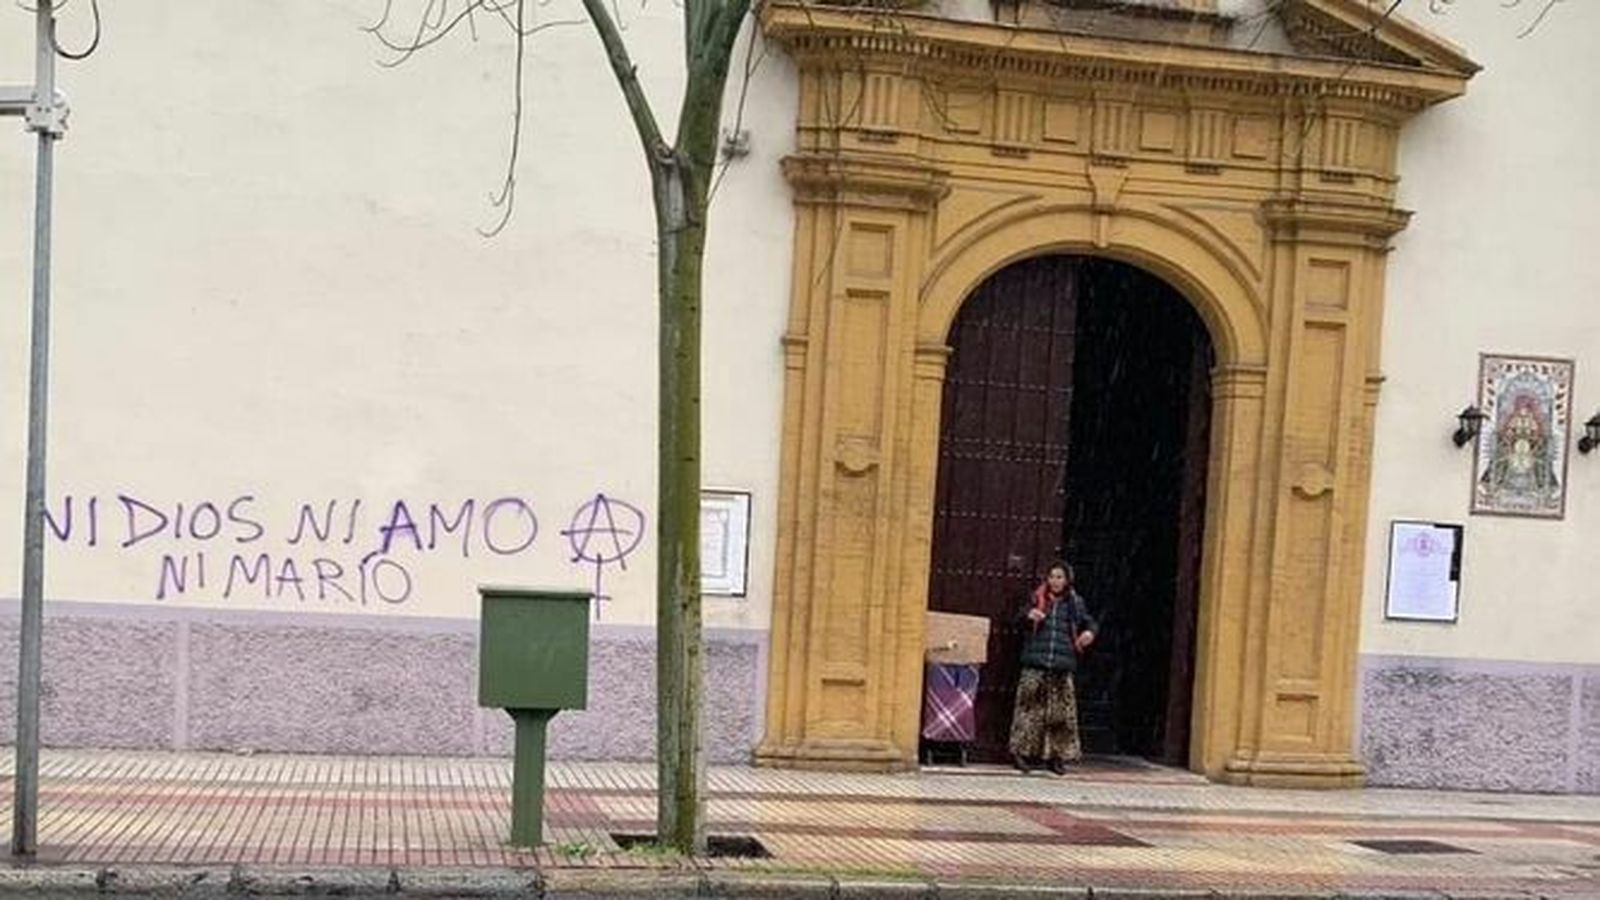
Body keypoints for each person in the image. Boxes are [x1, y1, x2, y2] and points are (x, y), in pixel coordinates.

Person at [1009, 560, 1096, 775]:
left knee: (1059, 715)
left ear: (1067, 580)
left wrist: (1089, 634)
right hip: (1036, 662)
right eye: (1052, 577)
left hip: (1061, 664)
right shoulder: (1036, 599)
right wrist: (1029, 616)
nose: (1055, 581)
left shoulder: (1075, 603)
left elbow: (1089, 623)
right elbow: (1017, 619)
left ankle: (1055, 757)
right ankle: (1020, 753)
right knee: (1028, 711)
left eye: (1060, 577)